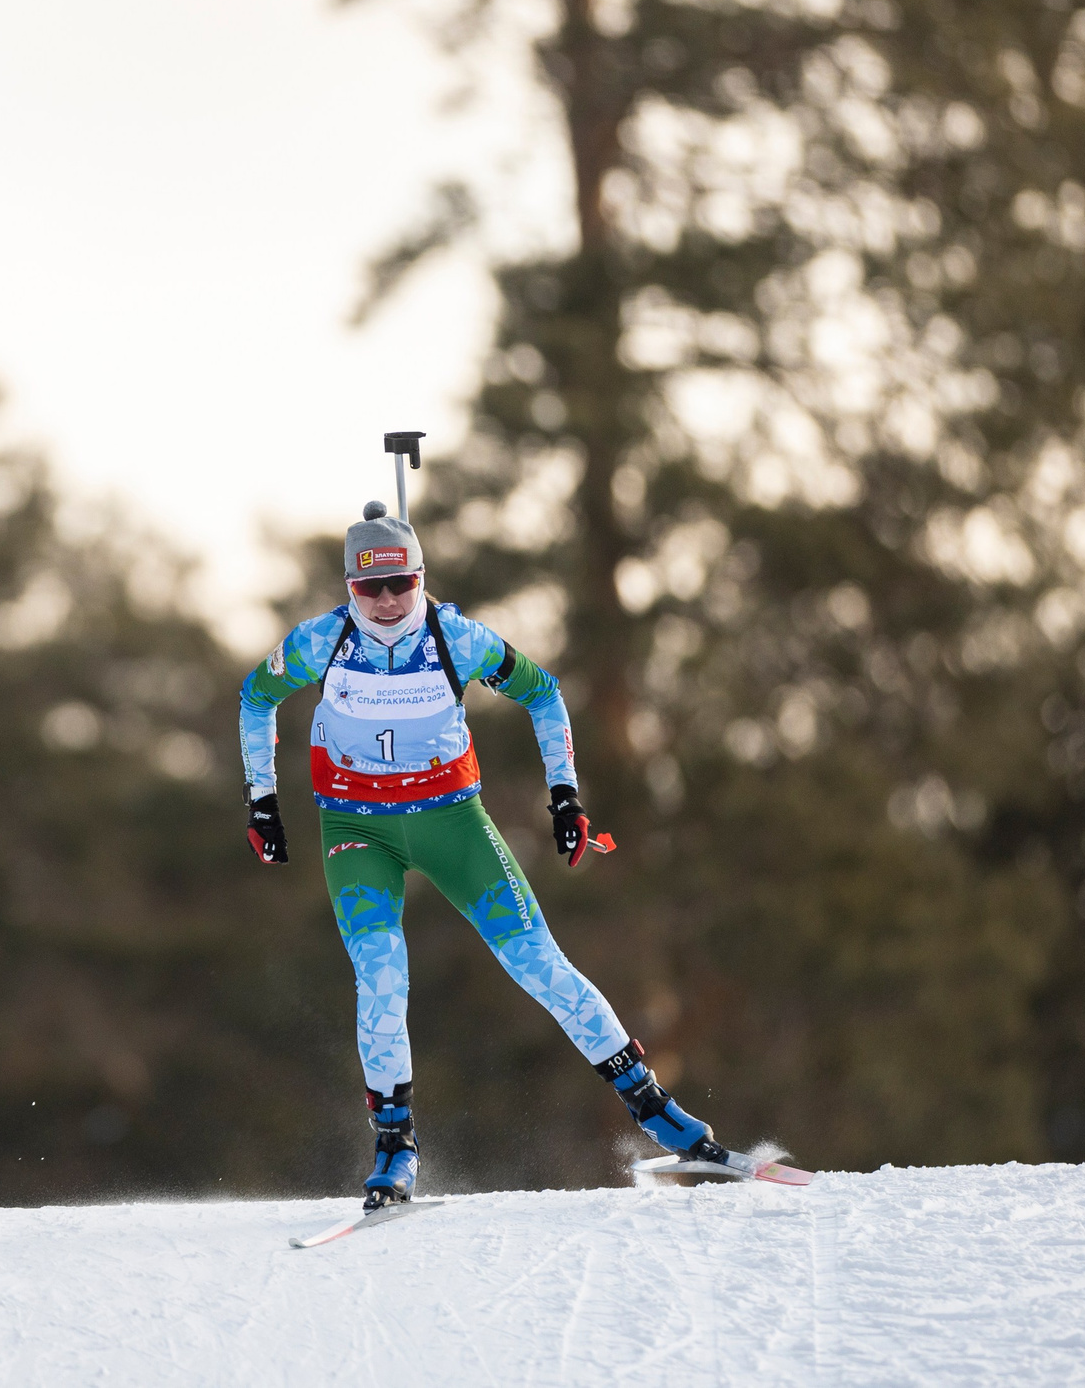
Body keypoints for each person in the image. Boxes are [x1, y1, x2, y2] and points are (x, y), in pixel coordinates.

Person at [239, 503, 768, 1208]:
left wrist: (565, 796)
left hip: (451, 821)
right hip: (357, 830)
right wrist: (261, 799)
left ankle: (659, 1112)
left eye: (402, 582)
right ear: (348, 588)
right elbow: (255, 697)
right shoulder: (318, 643)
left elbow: (544, 693)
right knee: (382, 979)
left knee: (539, 963)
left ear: (421, 576)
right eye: (371, 589)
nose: (390, 601)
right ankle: (396, 1147)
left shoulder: (455, 637)